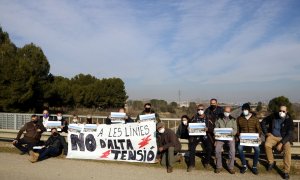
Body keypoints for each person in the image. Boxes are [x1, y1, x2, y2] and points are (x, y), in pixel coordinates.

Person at [261, 105, 294, 179]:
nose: (281, 112)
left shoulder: (289, 120)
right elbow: (263, 122)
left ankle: (286, 171)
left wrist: (281, 143)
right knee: (267, 144)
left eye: (283, 111)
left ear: (286, 112)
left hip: (284, 138)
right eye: (280, 111)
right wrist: (266, 133)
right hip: (273, 136)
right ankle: (271, 162)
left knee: (287, 149)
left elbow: (289, 134)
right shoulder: (274, 116)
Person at [237, 103, 262, 175]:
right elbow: (238, 129)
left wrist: (259, 137)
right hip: (243, 139)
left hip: (253, 139)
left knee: (257, 149)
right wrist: (238, 135)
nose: (244, 111)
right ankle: (244, 165)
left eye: (246, 109)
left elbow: (259, 130)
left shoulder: (255, 118)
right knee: (239, 148)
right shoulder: (239, 119)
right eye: (243, 110)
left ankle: (254, 166)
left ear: (249, 110)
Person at [187, 104, 213, 172]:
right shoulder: (194, 117)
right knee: (192, 147)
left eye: (201, 109)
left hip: (205, 136)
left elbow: (212, 128)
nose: (200, 111)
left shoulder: (208, 118)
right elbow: (189, 125)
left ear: (204, 110)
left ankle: (206, 163)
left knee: (209, 147)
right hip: (196, 136)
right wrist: (188, 128)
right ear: (197, 110)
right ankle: (191, 165)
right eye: (198, 109)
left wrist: (208, 129)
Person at [214, 106, 237, 174]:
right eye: (225, 111)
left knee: (232, 151)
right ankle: (219, 166)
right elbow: (215, 129)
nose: (226, 113)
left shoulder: (233, 119)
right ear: (223, 111)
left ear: (230, 112)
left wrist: (230, 133)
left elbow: (235, 130)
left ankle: (230, 167)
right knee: (217, 150)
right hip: (220, 138)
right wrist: (216, 134)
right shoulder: (218, 119)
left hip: (230, 138)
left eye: (228, 111)